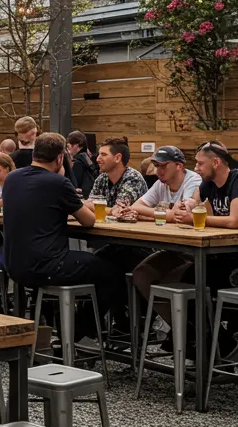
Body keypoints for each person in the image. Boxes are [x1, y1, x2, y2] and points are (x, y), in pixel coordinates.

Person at [2, 131, 124, 330]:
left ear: (34, 154)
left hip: (15, 265)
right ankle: (80, 331)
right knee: (111, 274)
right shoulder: (58, 183)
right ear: (60, 157)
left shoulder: (13, 178)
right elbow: (88, 221)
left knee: (94, 264)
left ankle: (61, 329)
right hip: (47, 266)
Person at [133, 142, 238, 337]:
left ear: (216, 162)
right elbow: (190, 203)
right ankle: (191, 337)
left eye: (199, 164)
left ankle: (204, 340)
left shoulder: (235, 180)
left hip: (229, 256)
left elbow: (234, 220)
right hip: (206, 253)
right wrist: (186, 207)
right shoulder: (207, 184)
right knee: (144, 273)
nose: (196, 169)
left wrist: (193, 217)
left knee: (176, 281)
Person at [118, 146, 200, 222]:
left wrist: (150, 214)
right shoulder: (161, 183)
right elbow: (136, 207)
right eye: (156, 166)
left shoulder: (193, 181)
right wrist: (167, 215)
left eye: (162, 166)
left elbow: (182, 215)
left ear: (179, 166)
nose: (158, 171)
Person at [93, 138, 147, 213]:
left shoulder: (133, 178)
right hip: (107, 224)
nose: (97, 159)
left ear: (117, 158)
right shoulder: (101, 178)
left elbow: (119, 210)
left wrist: (95, 208)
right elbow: (89, 204)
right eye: (99, 154)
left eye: (103, 155)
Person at [65, 132, 99, 198]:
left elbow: (75, 184)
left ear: (77, 146)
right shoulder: (87, 158)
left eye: (68, 146)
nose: (67, 150)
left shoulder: (77, 163)